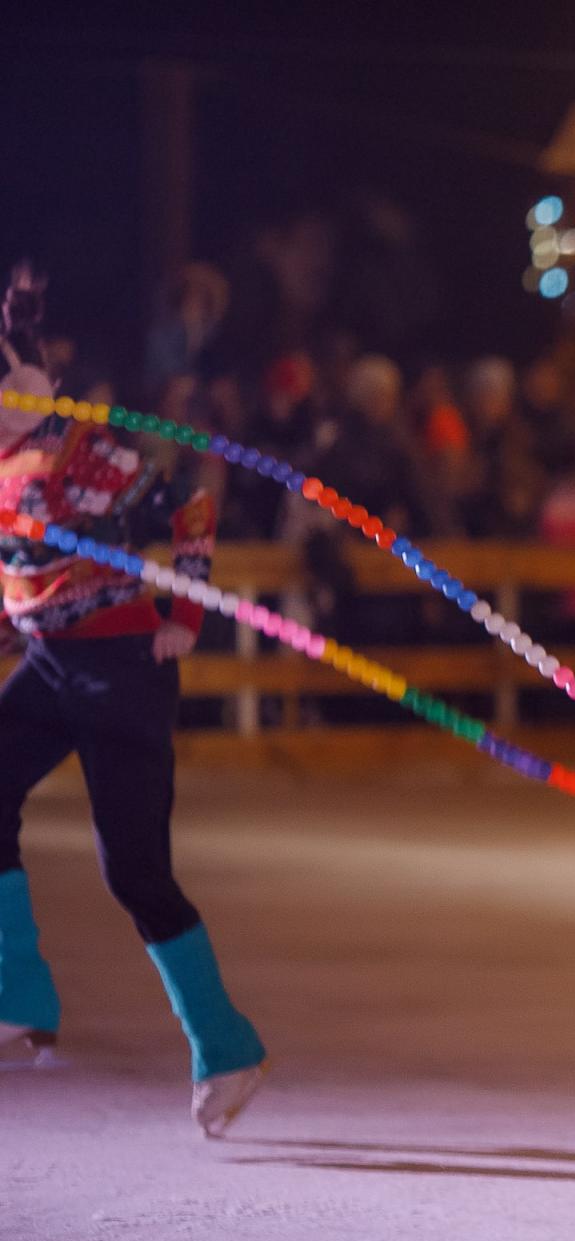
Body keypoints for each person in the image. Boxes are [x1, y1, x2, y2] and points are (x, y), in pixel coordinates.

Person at [0, 261, 265, 1135]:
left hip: (120, 668)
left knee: (135, 872)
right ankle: (20, 994)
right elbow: (19, 577)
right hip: (49, 662)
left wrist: (185, 615)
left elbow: (190, 507)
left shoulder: (97, 458)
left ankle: (225, 1044)